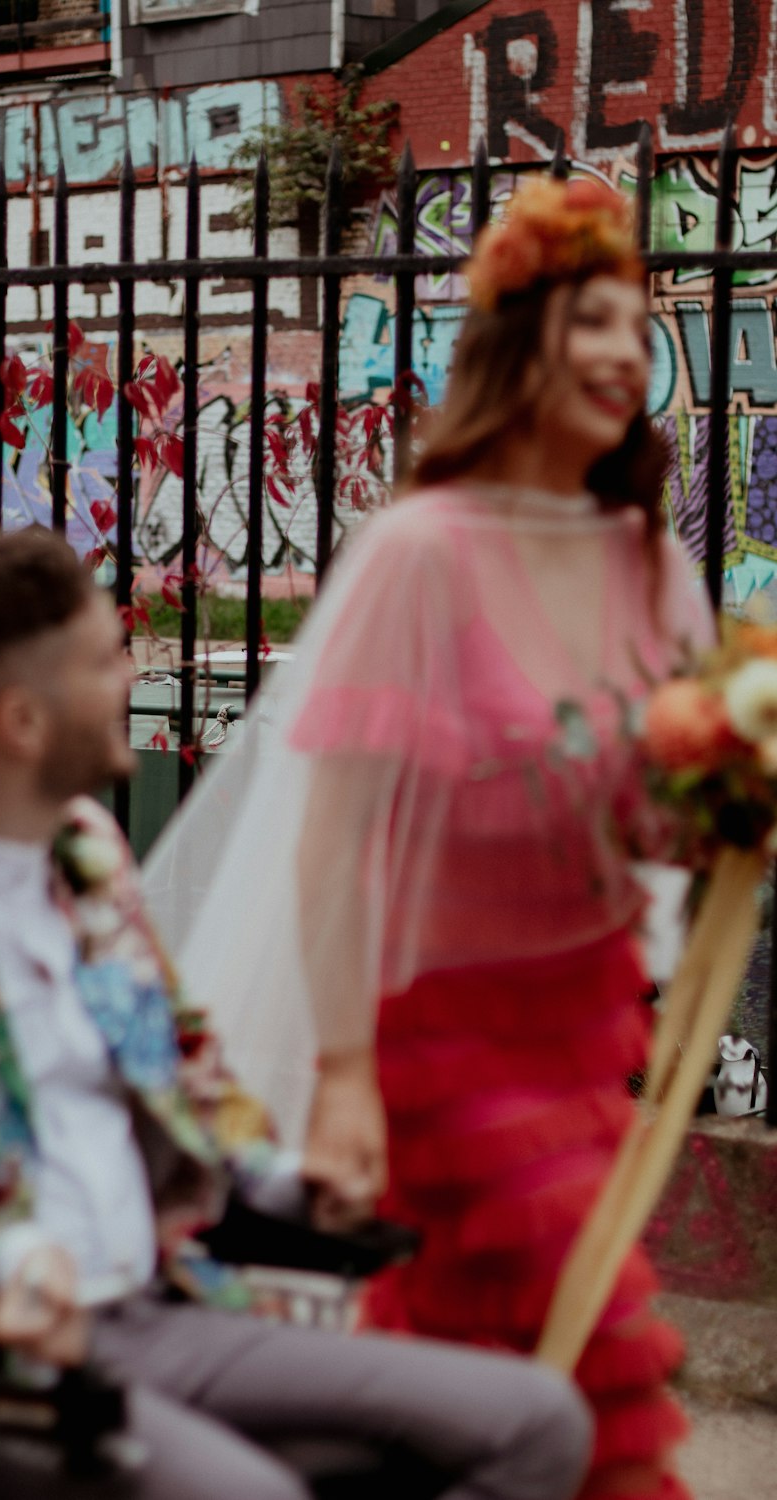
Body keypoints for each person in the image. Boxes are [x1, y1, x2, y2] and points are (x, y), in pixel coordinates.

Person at [0, 527, 592, 1500]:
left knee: (537, 1424)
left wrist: (293, 1183)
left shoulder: (82, 853)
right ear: (21, 721)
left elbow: (188, 1076)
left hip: (159, 1310)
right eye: (104, 658)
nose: (132, 671)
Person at [143, 177, 715, 1500]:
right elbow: (332, 840)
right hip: (445, 1043)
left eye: (640, 326)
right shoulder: (421, 553)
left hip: (592, 1034)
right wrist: (342, 1074)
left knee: (493, 1373)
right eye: (592, 320)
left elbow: (656, 818)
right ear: (515, 343)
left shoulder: (650, 562)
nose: (627, 353)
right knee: (590, 1356)